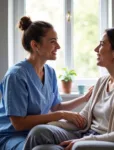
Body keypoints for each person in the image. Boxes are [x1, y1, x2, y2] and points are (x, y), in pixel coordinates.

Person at [23, 27, 114, 150]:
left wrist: (86, 140)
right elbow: (83, 120)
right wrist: (52, 123)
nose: (96, 49)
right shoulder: (102, 81)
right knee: (39, 132)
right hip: (85, 134)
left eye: (101, 44)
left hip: (101, 141)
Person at [0, 16, 93, 150]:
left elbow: (57, 106)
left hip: (37, 132)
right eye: (52, 41)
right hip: (12, 136)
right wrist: (61, 115)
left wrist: (84, 98)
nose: (58, 46)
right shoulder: (16, 76)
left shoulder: (50, 72)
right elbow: (19, 124)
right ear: (35, 45)